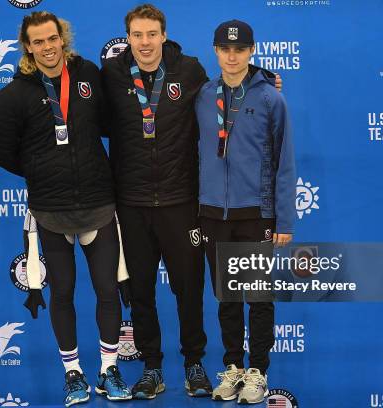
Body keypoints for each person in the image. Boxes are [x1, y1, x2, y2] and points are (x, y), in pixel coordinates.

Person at [101, 4, 283, 400]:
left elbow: (233, 88)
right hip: (132, 203)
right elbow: (88, 117)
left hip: (183, 202)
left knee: (190, 288)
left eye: (152, 34)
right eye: (137, 35)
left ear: (164, 35)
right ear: (127, 38)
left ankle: (194, 364)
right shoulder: (112, 75)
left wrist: (264, 78)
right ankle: (151, 367)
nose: (145, 42)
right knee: (142, 290)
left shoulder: (190, 71)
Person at [0, 11, 131, 407]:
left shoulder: (87, 75)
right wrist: (42, 168)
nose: (47, 47)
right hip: (50, 212)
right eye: (38, 42)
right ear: (28, 47)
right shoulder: (12, 95)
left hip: (98, 206)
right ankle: (73, 374)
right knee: (63, 294)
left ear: (62, 38)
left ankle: (109, 369)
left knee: (107, 292)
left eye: (53, 39)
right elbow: (2, 153)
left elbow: (113, 121)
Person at [195, 20, 295, 404]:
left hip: (255, 213)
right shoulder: (203, 95)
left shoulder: (271, 98)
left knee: (258, 298)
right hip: (213, 215)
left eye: (240, 49)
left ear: (251, 51)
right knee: (227, 298)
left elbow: (284, 161)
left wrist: (283, 219)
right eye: (225, 49)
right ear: (216, 51)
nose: (232, 56)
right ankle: (233, 367)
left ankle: (258, 372)